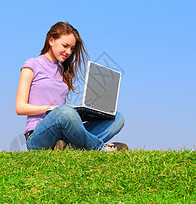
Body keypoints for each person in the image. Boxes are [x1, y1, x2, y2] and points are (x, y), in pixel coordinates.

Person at [15, 22, 127, 151]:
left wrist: (79, 111)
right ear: (51, 40)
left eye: (72, 48)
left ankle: (70, 147)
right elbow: (20, 108)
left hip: (62, 136)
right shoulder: (32, 65)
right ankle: (101, 149)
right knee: (65, 112)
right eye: (65, 46)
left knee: (117, 118)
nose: (68, 52)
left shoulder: (63, 72)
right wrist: (55, 109)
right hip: (37, 136)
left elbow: (63, 112)